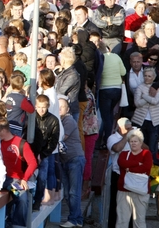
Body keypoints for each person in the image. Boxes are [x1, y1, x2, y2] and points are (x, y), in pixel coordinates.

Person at [0, 120, 37, 228]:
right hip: (0, 179)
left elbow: (33, 163)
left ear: (4, 130)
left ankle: (18, 225)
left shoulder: (21, 143)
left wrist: (24, 179)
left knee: (22, 198)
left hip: (15, 180)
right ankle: (5, 221)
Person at [115, 129, 152, 228]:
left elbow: (146, 168)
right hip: (124, 190)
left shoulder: (146, 153)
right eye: (131, 141)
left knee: (139, 221)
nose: (133, 143)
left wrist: (129, 169)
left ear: (141, 142)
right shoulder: (124, 154)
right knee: (121, 220)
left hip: (141, 191)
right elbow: (121, 163)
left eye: (135, 141)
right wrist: (137, 164)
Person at [58, 97, 86, 228]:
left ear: (68, 109)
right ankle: (77, 219)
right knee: (69, 192)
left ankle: (74, 219)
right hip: (65, 160)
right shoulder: (59, 121)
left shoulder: (68, 120)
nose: (59, 109)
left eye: (62, 107)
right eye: (57, 106)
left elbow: (62, 137)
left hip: (74, 158)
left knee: (73, 192)